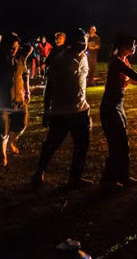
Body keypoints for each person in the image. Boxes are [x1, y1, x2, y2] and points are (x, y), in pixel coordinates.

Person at [33, 29, 93, 188]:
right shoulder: (61, 60)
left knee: (82, 145)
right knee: (52, 143)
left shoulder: (84, 57)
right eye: (79, 40)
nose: (83, 44)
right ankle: (39, 172)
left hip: (80, 110)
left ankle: (75, 178)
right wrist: (47, 110)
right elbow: (49, 86)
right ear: (71, 42)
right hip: (62, 111)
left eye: (84, 40)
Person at [100, 35, 137, 188]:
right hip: (110, 106)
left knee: (122, 142)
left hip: (118, 104)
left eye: (134, 45)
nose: (134, 47)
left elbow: (132, 81)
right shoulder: (117, 62)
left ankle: (123, 177)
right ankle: (110, 179)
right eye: (132, 44)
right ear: (123, 46)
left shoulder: (124, 61)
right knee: (117, 143)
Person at [0, 34, 32, 167]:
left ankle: (11, 142)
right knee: (2, 130)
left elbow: (25, 75)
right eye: (12, 47)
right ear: (5, 46)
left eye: (16, 47)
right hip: (3, 101)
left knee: (22, 124)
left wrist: (27, 91)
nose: (14, 49)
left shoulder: (20, 59)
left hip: (19, 99)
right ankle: (3, 154)